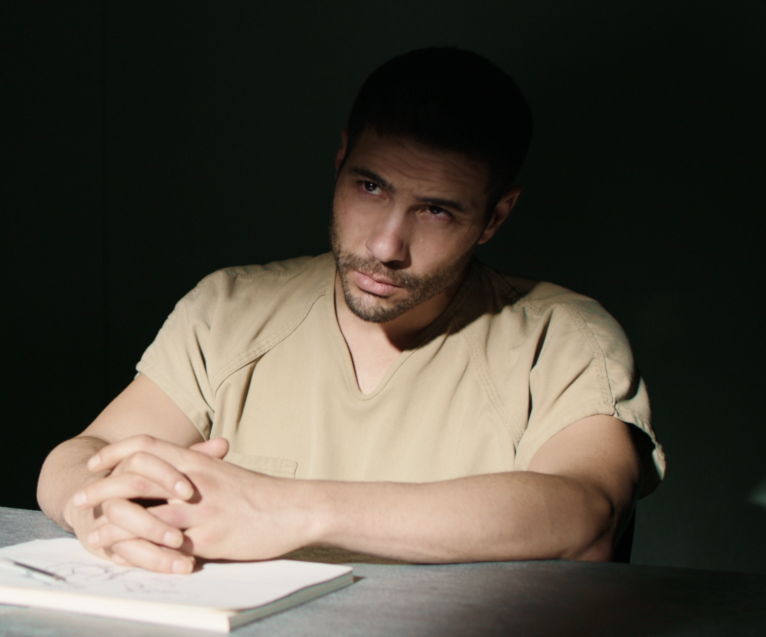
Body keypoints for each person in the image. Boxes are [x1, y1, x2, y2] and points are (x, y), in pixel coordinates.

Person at [36, 47, 665, 574]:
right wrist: (100, 509)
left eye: (436, 210)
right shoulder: (230, 308)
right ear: (340, 162)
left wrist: (289, 509)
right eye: (371, 186)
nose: (387, 246)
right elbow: (79, 456)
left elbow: (586, 513)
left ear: (495, 216)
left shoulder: (561, 337)